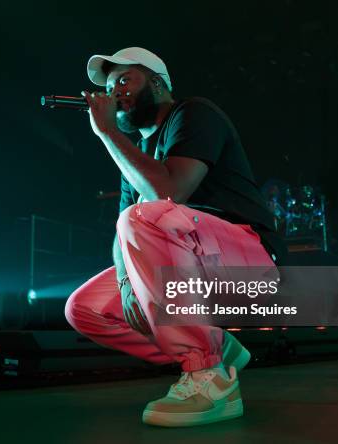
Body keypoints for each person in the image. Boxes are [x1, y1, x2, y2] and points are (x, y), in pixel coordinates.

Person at [64, 47, 285, 427]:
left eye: (124, 80)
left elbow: (169, 193)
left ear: (157, 82)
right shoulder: (136, 154)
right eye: (110, 85)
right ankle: (219, 349)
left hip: (247, 262)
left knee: (147, 214)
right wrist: (126, 283)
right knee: (86, 309)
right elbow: (122, 231)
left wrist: (107, 132)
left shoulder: (194, 113)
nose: (115, 91)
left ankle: (209, 377)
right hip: (188, 263)